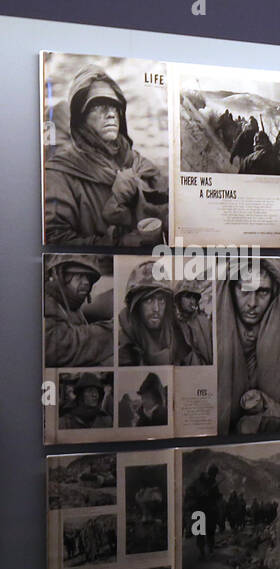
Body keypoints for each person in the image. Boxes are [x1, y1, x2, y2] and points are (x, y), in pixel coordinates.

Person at [44, 65, 168, 246]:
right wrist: (118, 244)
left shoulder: (139, 164)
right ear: (81, 118)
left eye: (114, 107)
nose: (110, 114)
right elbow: (56, 241)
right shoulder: (60, 173)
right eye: (98, 106)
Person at [216, 258, 280, 434]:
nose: (252, 303)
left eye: (263, 292)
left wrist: (267, 404)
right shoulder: (208, 339)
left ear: (274, 294)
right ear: (231, 290)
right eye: (244, 290)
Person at [44, 254, 113, 367]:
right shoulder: (45, 302)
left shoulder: (71, 306)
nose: (86, 282)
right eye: (80, 275)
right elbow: (60, 348)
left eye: (89, 277)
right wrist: (111, 331)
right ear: (61, 276)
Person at [118, 260, 189, 366]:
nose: (156, 308)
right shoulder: (120, 343)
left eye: (161, 300)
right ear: (136, 305)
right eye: (148, 300)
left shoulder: (181, 338)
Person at [174, 280, 213, 365]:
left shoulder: (205, 323)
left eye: (194, 297)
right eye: (188, 297)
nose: (192, 301)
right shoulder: (172, 324)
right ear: (178, 299)